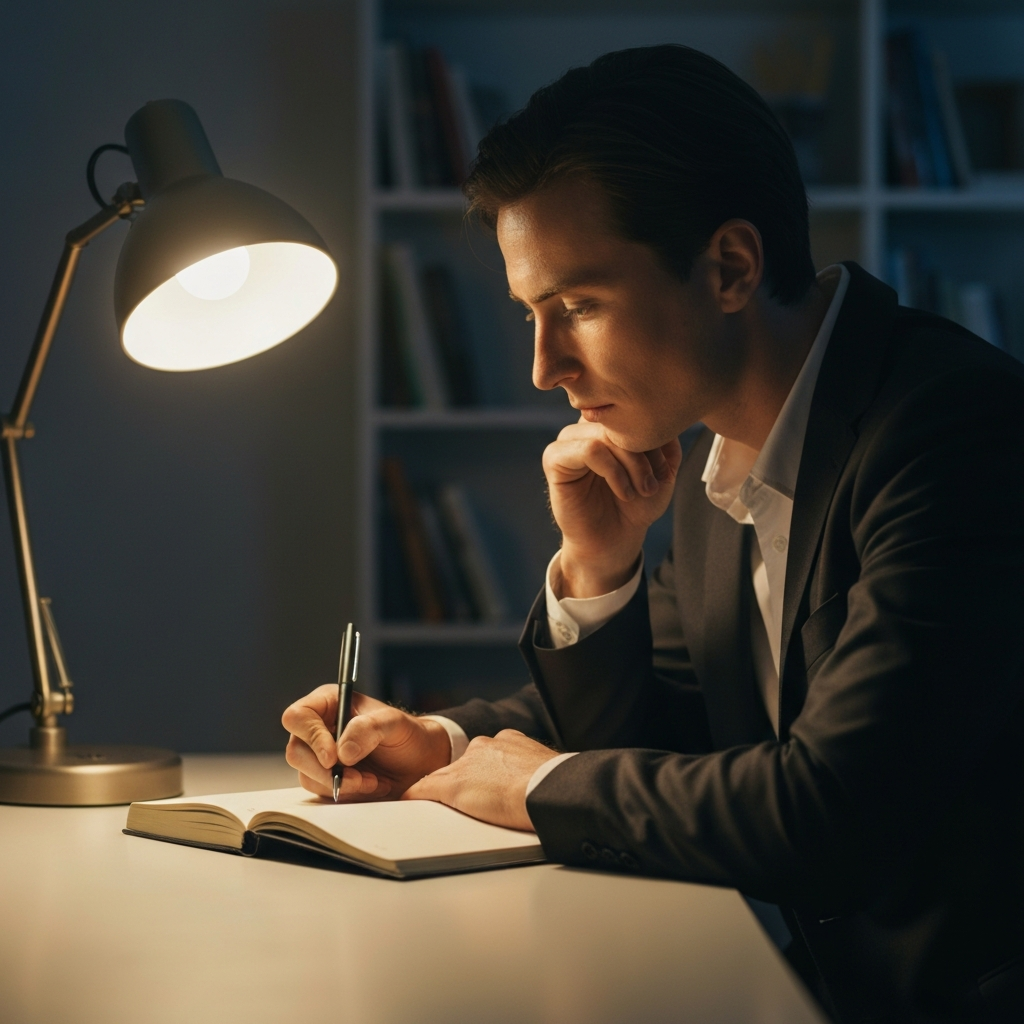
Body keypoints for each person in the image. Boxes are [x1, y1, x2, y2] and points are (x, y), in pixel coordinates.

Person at [282, 46, 1024, 1023]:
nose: (544, 365)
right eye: (531, 314)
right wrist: (449, 733)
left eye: (577, 306)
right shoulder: (722, 450)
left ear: (729, 267)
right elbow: (664, 721)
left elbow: (833, 811)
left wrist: (540, 784)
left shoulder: (954, 429)